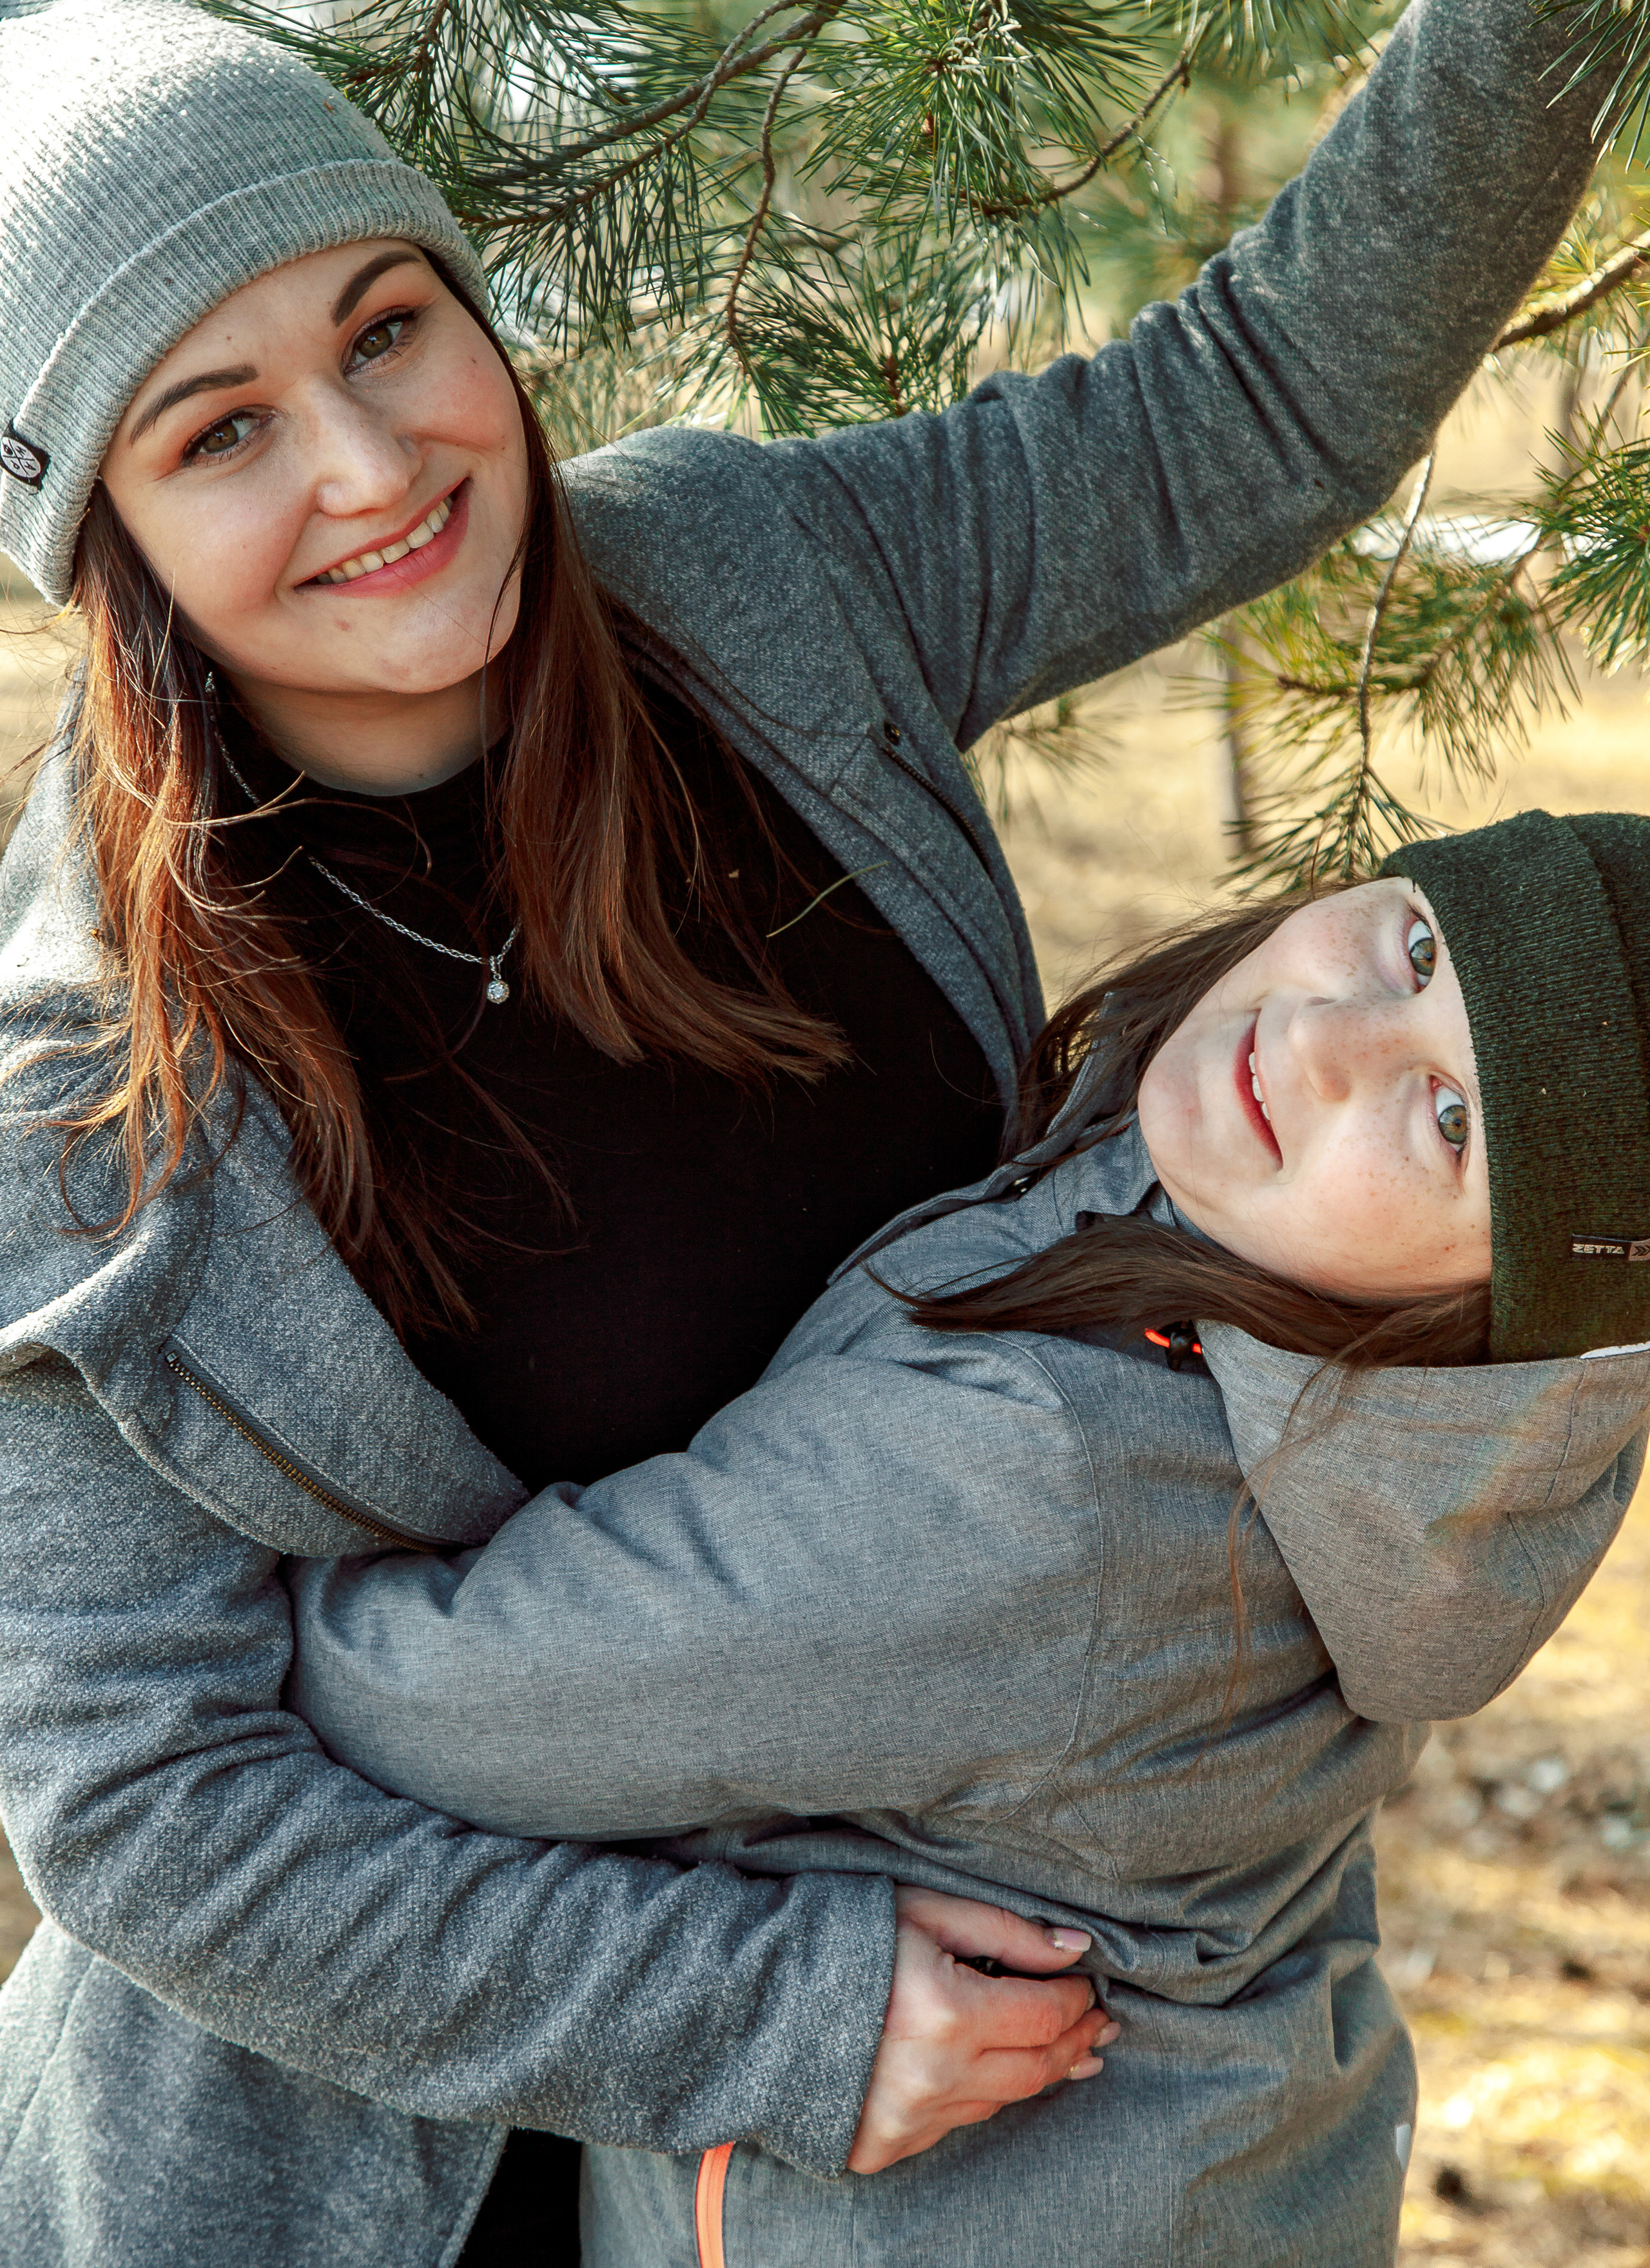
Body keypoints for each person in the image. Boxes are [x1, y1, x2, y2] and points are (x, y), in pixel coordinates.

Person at [0, 0, 1618, 2265]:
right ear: (103, 530)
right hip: (352, 2186)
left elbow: (1258, 402)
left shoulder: (759, 588)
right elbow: (149, 1807)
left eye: (390, 326)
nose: (368, 464)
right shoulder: (81, 1099)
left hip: (967, 2187)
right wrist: (756, 2011)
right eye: (221, 430)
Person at [287, 815, 1650, 2268]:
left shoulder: (1041, 1489)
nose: (1324, 1037)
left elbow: (421, 1704)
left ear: (1501, 1309)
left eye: (1448, 1118)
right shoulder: (1405, 1408)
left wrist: (137, 1539)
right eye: (1414, 945)